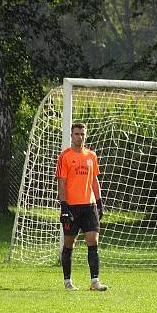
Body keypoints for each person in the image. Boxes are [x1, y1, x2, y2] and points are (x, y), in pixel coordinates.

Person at [56, 122, 108, 291]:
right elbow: (62, 183)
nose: (80, 137)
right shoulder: (65, 156)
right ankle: (68, 281)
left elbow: (94, 180)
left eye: (82, 134)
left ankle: (95, 281)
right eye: (77, 134)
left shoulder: (91, 156)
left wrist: (99, 203)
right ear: (71, 136)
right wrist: (64, 206)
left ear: (86, 136)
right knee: (69, 243)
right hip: (71, 206)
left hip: (89, 206)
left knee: (93, 241)